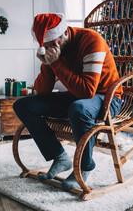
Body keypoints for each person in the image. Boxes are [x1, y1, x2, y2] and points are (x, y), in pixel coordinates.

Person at [13, 13, 123, 190]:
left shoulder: (91, 40)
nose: (50, 49)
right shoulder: (54, 50)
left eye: (52, 43)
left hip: (106, 98)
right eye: (45, 46)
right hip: (76, 97)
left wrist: (55, 64)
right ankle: (60, 157)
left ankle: (84, 166)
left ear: (64, 32)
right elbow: (43, 91)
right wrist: (48, 65)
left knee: (78, 107)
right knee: (22, 105)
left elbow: (87, 92)